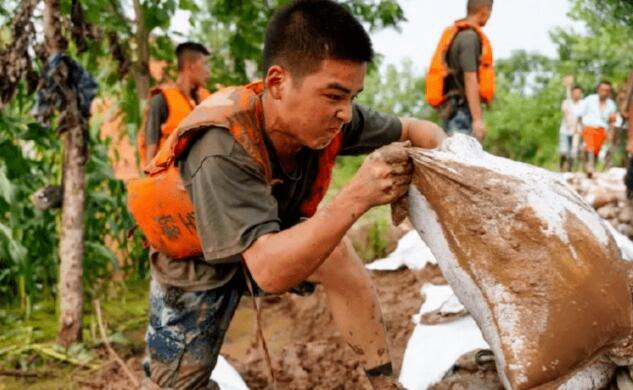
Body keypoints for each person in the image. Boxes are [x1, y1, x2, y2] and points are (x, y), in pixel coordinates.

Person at [137, 1, 445, 389]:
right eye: (334, 96)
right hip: (197, 260)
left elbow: (420, 130)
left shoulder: (332, 117)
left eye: (352, 96)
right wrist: (357, 196)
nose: (346, 114)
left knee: (336, 254)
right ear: (278, 82)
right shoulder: (221, 144)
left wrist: (456, 170)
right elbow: (269, 271)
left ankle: (383, 383)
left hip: (268, 237)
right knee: (177, 384)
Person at [425, 0, 495, 142]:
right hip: (461, 113)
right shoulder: (469, 38)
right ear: (484, 12)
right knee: (461, 160)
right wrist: (477, 120)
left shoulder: (457, 35)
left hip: (452, 110)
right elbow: (470, 77)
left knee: (452, 159)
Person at [137, 42, 211, 168]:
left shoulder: (207, 101)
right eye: (204, 64)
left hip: (201, 181)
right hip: (172, 181)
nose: (208, 71)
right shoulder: (160, 101)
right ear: (190, 66)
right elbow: (151, 153)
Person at [577, 80, 617, 177]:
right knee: (590, 147)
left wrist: (611, 132)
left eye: (607, 90)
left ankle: (590, 168)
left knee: (596, 151)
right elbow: (579, 115)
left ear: (609, 92)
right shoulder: (589, 100)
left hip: (602, 130)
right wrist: (580, 127)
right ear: (598, 90)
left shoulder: (611, 104)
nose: (604, 92)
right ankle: (590, 166)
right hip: (589, 127)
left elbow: (612, 120)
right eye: (602, 89)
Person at [558, 76, 583, 172]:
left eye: (579, 93)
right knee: (564, 151)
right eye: (575, 93)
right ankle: (561, 166)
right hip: (565, 130)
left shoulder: (583, 104)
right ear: (572, 93)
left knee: (573, 153)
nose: (577, 95)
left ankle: (569, 169)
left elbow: (581, 117)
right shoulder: (566, 102)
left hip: (577, 131)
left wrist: (578, 128)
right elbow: (565, 113)